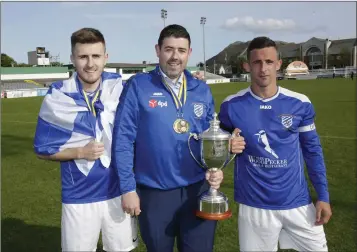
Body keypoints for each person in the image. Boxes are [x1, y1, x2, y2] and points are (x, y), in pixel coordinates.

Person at [112, 24, 245, 252]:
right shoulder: (138, 86)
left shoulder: (201, 89)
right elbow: (123, 139)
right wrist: (127, 189)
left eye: (181, 51)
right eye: (169, 49)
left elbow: (207, 139)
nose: (175, 57)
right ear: (158, 50)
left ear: (189, 53)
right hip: (155, 194)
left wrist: (218, 164)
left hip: (198, 190)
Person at [219, 36, 332, 252]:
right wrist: (227, 144)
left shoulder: (300, 103)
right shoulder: (231, 106)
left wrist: (323, 197)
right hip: (255, 206)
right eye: (257, 62)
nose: (263, 69)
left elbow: (313, 152)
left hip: (298, 203)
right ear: (247, 66)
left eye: (269, 62)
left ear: (279, 64)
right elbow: (218, 144)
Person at [33, 27, 138, 252]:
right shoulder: (58, 97)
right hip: (78, 196)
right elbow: (41, 149)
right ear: (72, 59)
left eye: (96, 56)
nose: (90, 64)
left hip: (119, 191)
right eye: (83, 57)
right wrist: (80, 152)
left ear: (106, 57)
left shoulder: (121, 88)